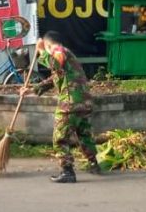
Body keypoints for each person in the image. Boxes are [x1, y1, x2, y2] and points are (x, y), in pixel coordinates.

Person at [20, 31, 100, 183]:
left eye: (46, 46)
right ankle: (93, 164)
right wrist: (32, 89)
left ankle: (67, 171)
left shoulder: (58, 50)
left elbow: (55, 63)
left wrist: (42, 50)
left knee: (60, 138)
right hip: (84, 102)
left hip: (70, 103)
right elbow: (55, 77)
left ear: (48, 44)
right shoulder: (68, 56)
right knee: (84, 135)